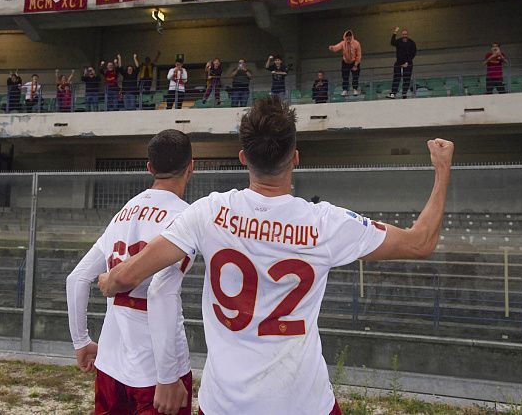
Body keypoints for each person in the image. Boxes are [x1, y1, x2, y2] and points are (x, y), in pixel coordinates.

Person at [98, 96, 454, 415]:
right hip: (302, 402)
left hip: (224, 404)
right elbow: (420, 243)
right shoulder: (326, 223)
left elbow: (128, 275)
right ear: (295, 157)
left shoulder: (209, 212)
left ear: (243, 158)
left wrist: (107, 281)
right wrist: (442, 170)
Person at [67, 129, 195, 415]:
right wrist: (168, 375)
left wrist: (81, 341)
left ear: (149, 167)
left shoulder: (123, 213)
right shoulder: (186, 217)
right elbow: (161, 293)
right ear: (191, 167)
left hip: (111, 364)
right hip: (156, 371)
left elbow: (77, 278)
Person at [328, 30, 362, 96]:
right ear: (345, 37)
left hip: (354, 62)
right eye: (347, 37)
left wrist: (356, 64)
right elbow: (337, 47)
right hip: (345, 62)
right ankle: (345, 90)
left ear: (352, 37)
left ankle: (355, 89)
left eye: (350, 37)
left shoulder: (356, 43)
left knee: (355, 76)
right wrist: (332, 48)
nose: (348, 38)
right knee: (345, 77)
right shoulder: (343, 43)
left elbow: (359, 55)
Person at [388, 27, 417, 99]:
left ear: (407, 35)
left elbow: (413, 53)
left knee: (407, 78)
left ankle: (404, 93)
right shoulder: (399, 41)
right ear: (402, 35)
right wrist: (395, 32)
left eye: (405, 34)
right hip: (398, 62)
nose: (404, 35)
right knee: (396, 78)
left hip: (408, 63)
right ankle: (393, 93)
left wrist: (407, 62)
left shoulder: (412, 43)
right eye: (403, 34)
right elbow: (392, 42)